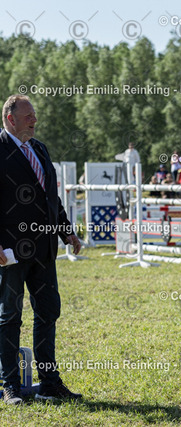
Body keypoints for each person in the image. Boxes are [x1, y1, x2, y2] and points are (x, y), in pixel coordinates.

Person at [0, 95, 83, 404]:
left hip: (45, 249)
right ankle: (10, 385)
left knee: (48, 312)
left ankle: (49, 382)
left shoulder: (40, 148)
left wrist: (66, 231)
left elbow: (51, 197)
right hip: (10, 252)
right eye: (28, 116)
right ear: (10, 119)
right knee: (9, 317)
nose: (34, 120)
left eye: (34, 115)